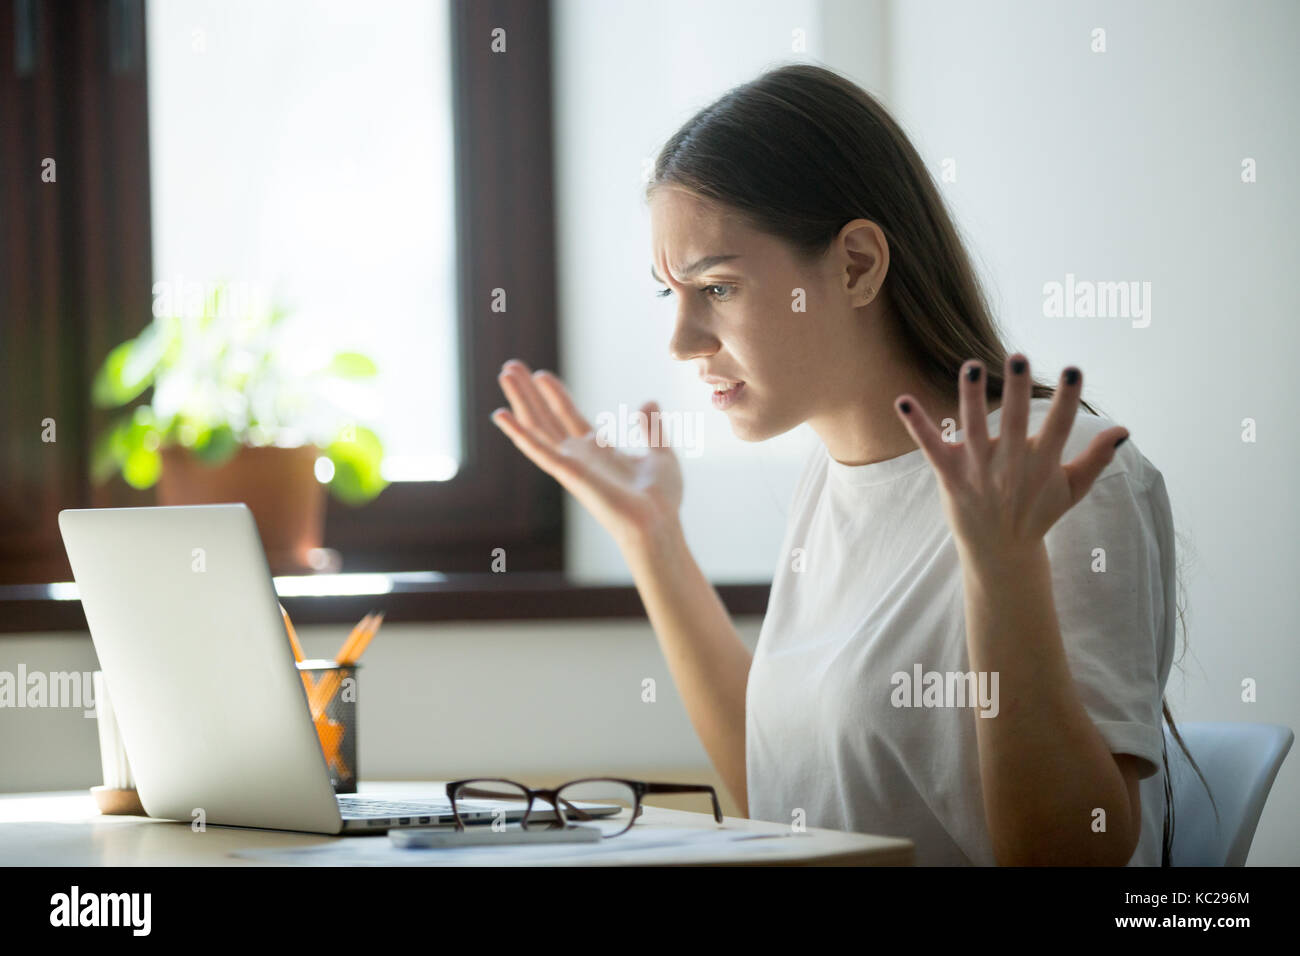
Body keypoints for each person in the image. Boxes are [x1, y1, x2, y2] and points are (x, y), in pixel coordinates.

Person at [491, 64, 1205, 866]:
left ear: (858, 264)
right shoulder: (833, 479)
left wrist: (1002, 570)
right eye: (673, 295)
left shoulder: (1056, 468)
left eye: (718, 287)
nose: (684, 341)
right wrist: (650, 537)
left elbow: (1070, 858)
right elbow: (786, 805)